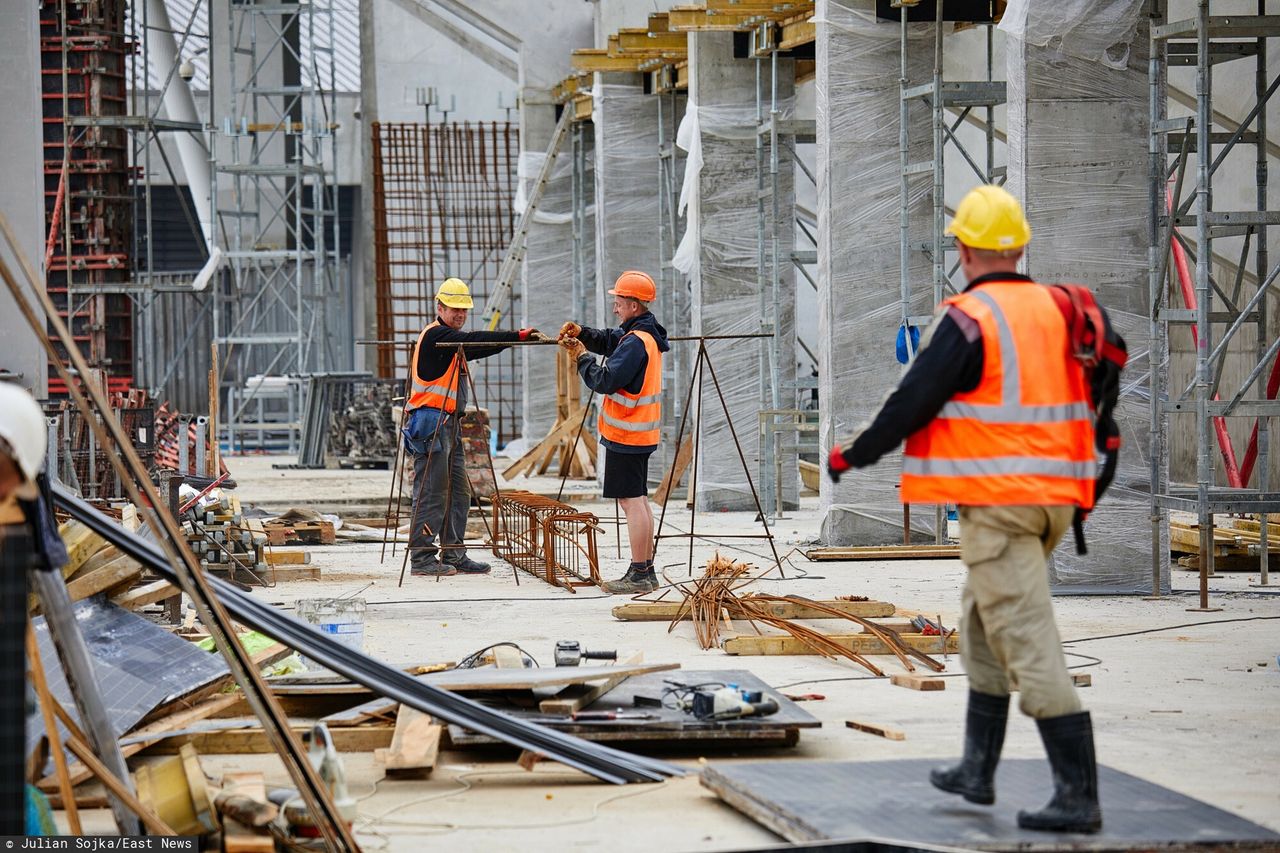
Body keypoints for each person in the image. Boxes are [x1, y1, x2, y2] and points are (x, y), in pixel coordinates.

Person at [827, 185, 1106, 834]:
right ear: (1020, 247)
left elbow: (912, 400)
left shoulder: (972, 317)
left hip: (1002, 501)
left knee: (1026, 633)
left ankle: (1078, 794)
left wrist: (854, 455)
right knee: (981, 625)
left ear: (965, 249)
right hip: (1056, 495)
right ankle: (976, 770)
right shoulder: (1053, 307)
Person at [403, 278, 540, 577]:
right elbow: (477, 340)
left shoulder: (452, 342)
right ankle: (422, 557)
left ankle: (454, 552)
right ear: (440, 307)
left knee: (459, 492)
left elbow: (479, 347)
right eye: (454, 309)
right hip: (431, 425)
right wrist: (515, 336)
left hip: (448, 425)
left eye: (464, 310)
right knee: (432, 492)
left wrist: (514, 341)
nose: (460, 314)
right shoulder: (437, 336)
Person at [559, 270, 669, 595]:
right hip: (638, 433)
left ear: (634, 305)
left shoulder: (636, 342)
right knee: (639, 500)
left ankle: (639, 573)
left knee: (631, 501)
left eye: (619, 302)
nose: (616, 307)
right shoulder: (642, 334)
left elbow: (605, 380)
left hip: (628, 433)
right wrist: (584, 333)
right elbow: (610, 339)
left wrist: (581, 358)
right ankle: (644, 569)